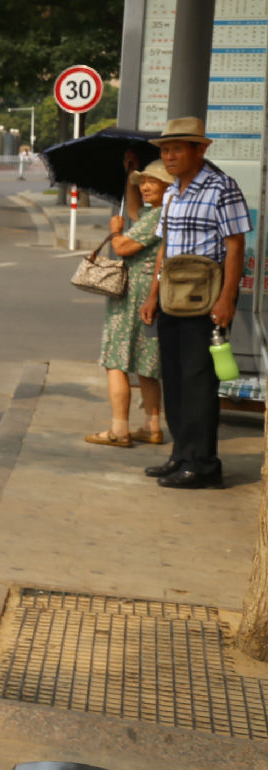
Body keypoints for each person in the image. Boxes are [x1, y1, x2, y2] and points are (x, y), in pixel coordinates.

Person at [138, 116, 249, 490]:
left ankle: (203, 464)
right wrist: (152, 296)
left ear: (199, 150)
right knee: (175, 379)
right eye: (165, 150)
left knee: (199, 381)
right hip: (172, 298)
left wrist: (227, 299)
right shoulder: (172, 192)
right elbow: (164, 248)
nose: (169, 156)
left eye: (176, 149)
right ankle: (181, 454)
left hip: (206, 300)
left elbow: (235, 246)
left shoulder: (222, 188)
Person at [85, 162, 170, 448]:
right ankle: (152, 425)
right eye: (142, 182)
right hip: (151, 290)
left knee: (116, 360)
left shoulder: (157, 216)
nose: (144, 187)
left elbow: (122, 247)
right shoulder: (160, 213)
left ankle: (119, 428)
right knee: (146, 362)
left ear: (168, 186)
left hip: (135, 292)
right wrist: (130, 175)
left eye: (152, 182)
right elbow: (134, 210)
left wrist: (115, 232)